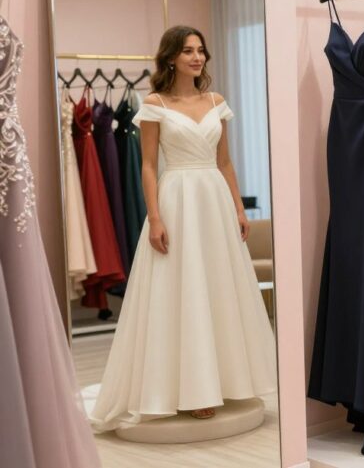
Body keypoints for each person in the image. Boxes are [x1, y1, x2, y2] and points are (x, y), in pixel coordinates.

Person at [89, 26, 277, 430]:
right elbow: (149, 165)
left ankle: (225, 380)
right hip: (177, 199)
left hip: (213, 199)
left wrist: (238, 208)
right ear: (171, 57)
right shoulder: (154, 103)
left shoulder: (216, 101)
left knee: (218, 288)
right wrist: (154, 217)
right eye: (188, 50)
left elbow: (225, 161)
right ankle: (188, 388)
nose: (197, 57)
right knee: (182, 290)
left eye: (201, 50)